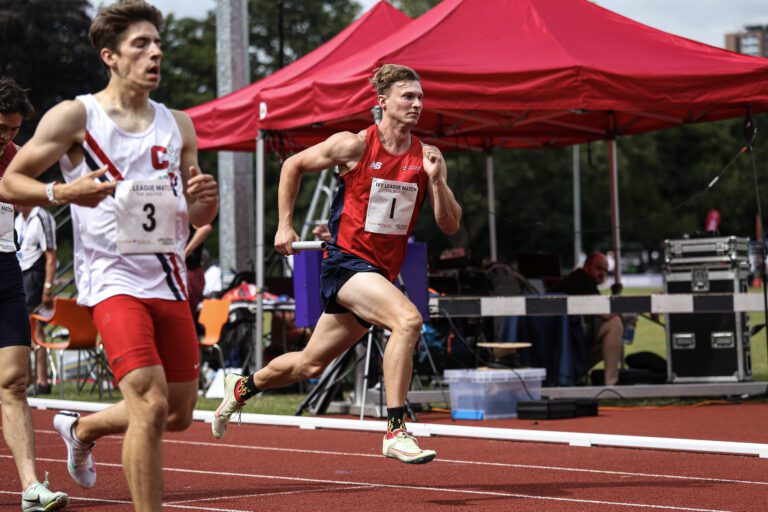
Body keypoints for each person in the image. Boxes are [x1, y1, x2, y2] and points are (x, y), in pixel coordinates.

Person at [0, 2, 219, 510]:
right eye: (141, 44)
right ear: (111, 57)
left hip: (165, 278)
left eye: (158, 43)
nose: (155, 52)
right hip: (111, 279)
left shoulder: (179, 125)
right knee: (149, 401)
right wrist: (64, 193)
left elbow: (192, 205)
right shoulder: (78, 115)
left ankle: (83, 428)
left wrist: (203, 200)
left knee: (180, 412)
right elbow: (11, 180)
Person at [212, 63, 462, 464]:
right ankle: (396, 430)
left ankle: (241, 387)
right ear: (383, 103)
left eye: (420, 97)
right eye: (407, 97)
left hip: (378, 274)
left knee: (309, 364)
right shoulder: (354, 145)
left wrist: (436, 181)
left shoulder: (428, 156)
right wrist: (285, 226)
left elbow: (449, 225)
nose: (417, 104)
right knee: (408, 320)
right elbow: (291, 164)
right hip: (346, 264)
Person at [0, 77, 69, 511]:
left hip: (6, 269)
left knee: (14, 381)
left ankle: (30, 487)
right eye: (0, 128)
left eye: (12, 130)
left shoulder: (13, 158)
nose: (7, 138)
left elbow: (33, 196)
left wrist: (66, 193)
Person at [552, 252, 623, 386]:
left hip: (564, 342)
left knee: (611, 338)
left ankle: (578, 376)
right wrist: (628, 312)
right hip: (561, 343)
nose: (602, 273)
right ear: (586, 266)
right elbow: (605, 313)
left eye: (605, 270)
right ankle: (611, 383)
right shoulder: (581, 280)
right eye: (598, 268)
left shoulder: (582, 280)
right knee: (614, 324)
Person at [15, 203, 57, 395]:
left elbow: (51, 255)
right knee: (22, 331)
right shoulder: (18, 219)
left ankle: (42, 381)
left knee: (35, 329)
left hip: (35, 275)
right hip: (20, 275)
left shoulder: (41, 216)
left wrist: (48, 287)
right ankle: (28, 379)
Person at [185, 222, 212, 327]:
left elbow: (205, 227)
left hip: (190, 273)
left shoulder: (186, 214)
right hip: (177, 273)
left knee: (187, 315)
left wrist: (185, 253)